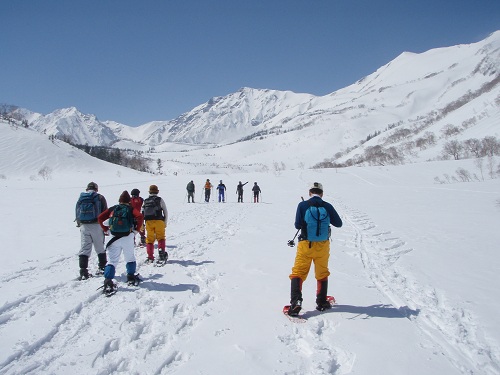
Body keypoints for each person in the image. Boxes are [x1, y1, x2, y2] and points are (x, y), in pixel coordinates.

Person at [286, 182, 343, 316]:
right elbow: (339, 224)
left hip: (306, 244)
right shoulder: (327, 206)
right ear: (321, 193)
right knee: (322, 272)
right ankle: (322, 302)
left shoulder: (303, 205)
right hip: (323, 245)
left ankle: (296, 303)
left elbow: (297, 225)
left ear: (310, 193)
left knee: (298, 272)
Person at [98, 191, 144, 295]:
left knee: (112, 260)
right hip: (128, 237)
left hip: (113, 237)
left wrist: (105, 229)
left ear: (119, 200)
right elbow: (140, 216)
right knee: (130, 257)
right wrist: (136, 230)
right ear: (129, 201)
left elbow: (100, 217)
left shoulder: (114, 208)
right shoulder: (131, 209)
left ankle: (108, 280)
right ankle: (131, 276)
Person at [75, 181, 108, 280]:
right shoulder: (100, 197)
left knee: (85, 248)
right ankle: (102, 268)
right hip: (96, 225)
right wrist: (105, 226)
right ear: (96, 189)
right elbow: (105, 212)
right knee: (99, 247)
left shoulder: (81, 198)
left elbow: (77, 211)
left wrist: (79, 223)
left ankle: (83, 271)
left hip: (84, 225)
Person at [143, 185, 169, 263]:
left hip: (148, 222)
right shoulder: (160, 200)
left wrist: (142, 224)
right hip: (159, 221)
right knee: (160, 237)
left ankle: (150, 256)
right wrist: (165, 222)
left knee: (149, 239)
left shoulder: (146, 200)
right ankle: (161, 254)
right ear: (157, 191)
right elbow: (165, 211)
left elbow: (142, 212)